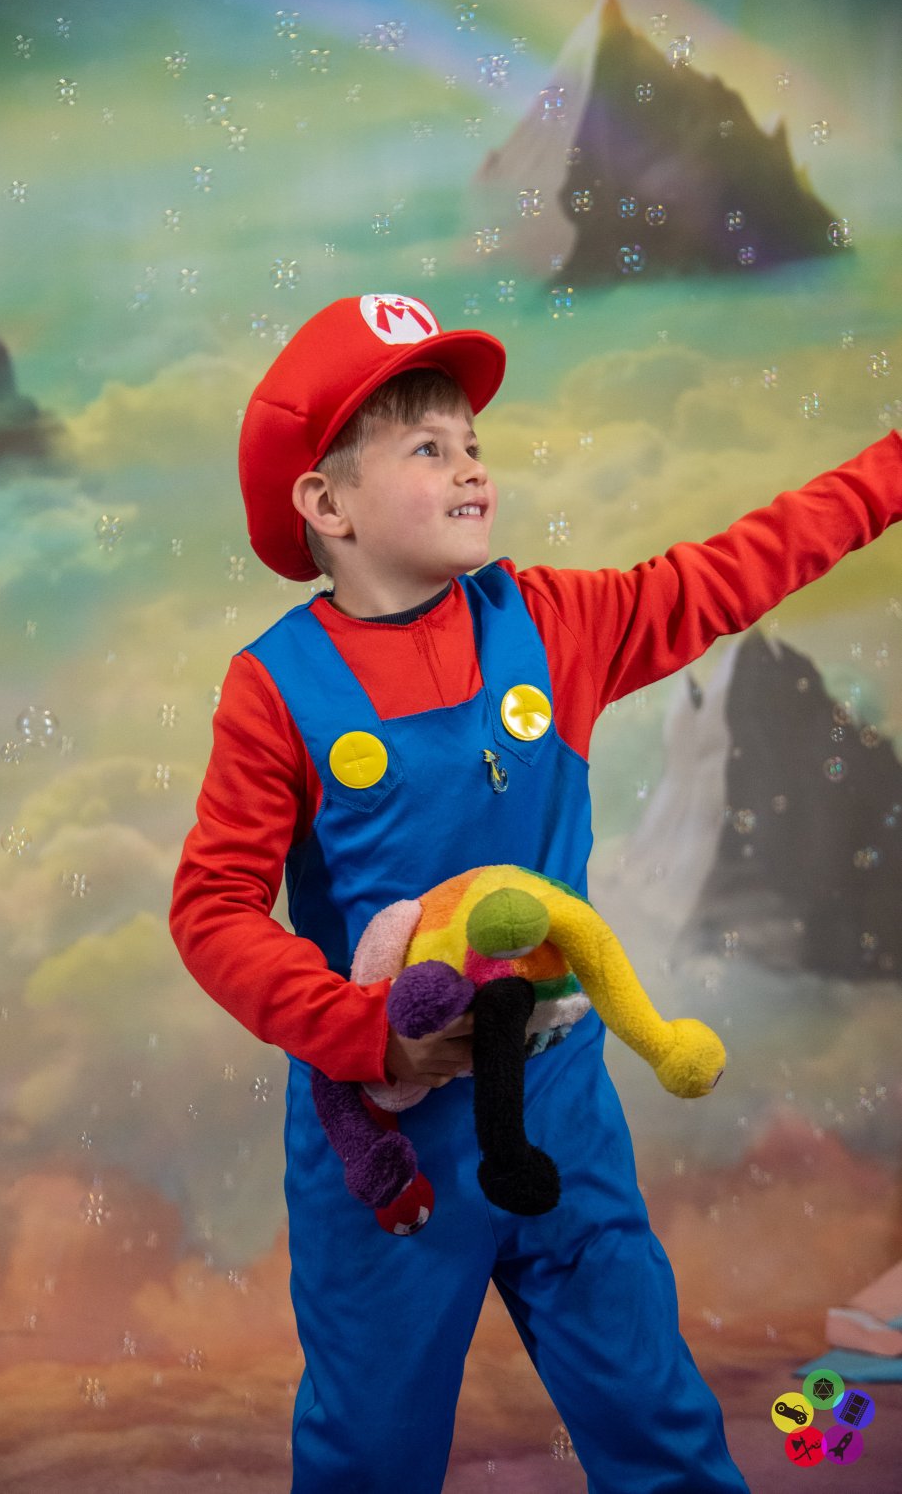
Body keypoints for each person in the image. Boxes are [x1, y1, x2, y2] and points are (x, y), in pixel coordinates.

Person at [170, 292, 901, 1493]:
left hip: (563, 1109)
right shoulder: (276, 688)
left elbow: (742, 566)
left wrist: (888, 470)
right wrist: (367, 1035)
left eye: (473, 443)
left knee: (655, 1419)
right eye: (427, 447)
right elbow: (211, 913)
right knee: (368, 1453)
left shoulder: (557, 623)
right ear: (326, 505)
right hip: (388, 1150)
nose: (470, 468)